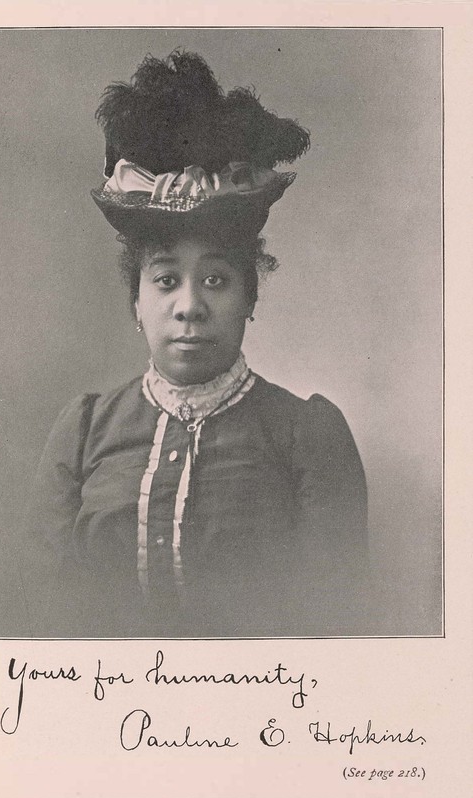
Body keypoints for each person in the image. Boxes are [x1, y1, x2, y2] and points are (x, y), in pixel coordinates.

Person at [22, 51, 369, 639]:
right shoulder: (83, 432)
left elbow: (334, 620)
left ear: (250, 298)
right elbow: (41, 613)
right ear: (136, 303)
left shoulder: (308, 434)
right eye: (164, 280)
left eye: (216, 279)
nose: (189, 305)